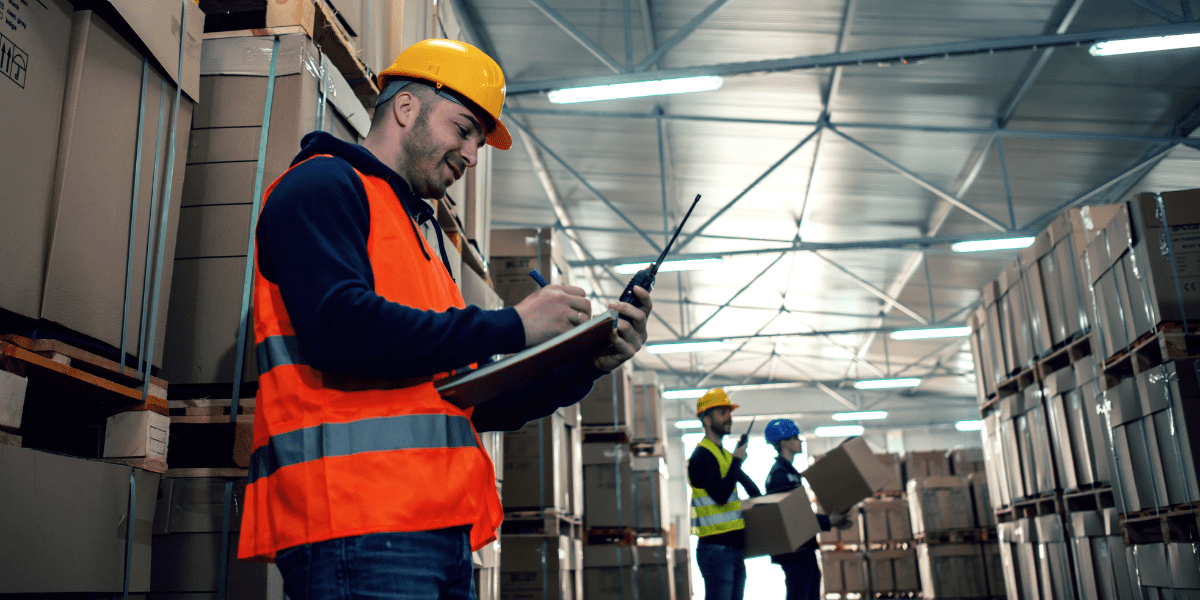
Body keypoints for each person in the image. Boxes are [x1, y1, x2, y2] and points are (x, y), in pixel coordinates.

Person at [236, 39, 652, 600]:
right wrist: (514, 325)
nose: (473, 154)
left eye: (480, 141)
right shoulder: (322, 186)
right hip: (355, 524)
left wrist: (587, 364)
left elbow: (472, 401)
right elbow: (338, 329)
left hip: (439, 531)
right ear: (406, 109)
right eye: (463, 129)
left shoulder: (420, 234)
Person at [687, 388, 762, 600]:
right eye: (722, 412)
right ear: (707, 420)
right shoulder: (701, 457)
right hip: (716, 550)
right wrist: (737, 461)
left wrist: (737, 459)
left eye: (729, 413)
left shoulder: (725, 456)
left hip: (734, 549)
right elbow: (720, 496)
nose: (729, 418)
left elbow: (754, 491)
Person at [763, 419, 849, 600]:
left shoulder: (789, 472)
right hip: (796, 553)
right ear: (784, 442)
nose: (800, 441)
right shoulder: (780, 475)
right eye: (795, 437)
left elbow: (800, 513)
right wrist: (828, 521)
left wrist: (831, 521)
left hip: (803, 549)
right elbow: (792, 517)